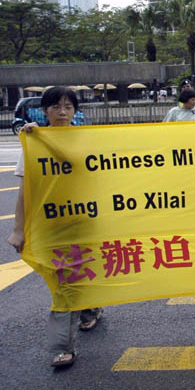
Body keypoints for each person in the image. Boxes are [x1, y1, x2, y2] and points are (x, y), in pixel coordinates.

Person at [7, 86, 103, 368]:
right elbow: (25, 191)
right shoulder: (33, 143)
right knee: (64, 282)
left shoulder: (84, 139)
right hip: (51, 225)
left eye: (68, 107)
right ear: (44, 111)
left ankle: (86, 314)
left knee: (79, 275)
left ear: (75, 111)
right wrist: (19, 229)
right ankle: (66, 340)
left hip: (84, 221)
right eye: (55, 107)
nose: (62, 112)